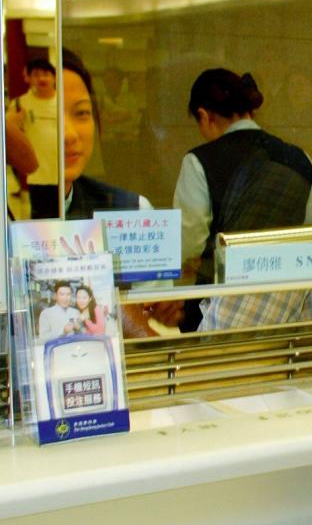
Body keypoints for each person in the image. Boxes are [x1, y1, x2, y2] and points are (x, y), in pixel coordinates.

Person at [173, 68, 312, 331]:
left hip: (215, 316)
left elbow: (188, 244)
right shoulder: (300, 158)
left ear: (203, 115)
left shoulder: (199, 161)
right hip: (286, 313)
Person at [61, 49, 184, 336]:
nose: (68, 134)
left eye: (80, 113)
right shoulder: (11, 216)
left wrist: (160, 310)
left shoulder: (132, 210)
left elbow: (158, 327)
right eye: (50, 116)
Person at [7, 57, 59, 218]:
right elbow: (9, 138)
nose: (42, 78)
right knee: (42, 220)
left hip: (65, 175)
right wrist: (12, 122)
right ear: (27, 78)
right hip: (38, 175)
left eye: (46, 74)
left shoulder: (64, 102)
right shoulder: (20, 104)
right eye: (36, 74)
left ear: (54, 77)